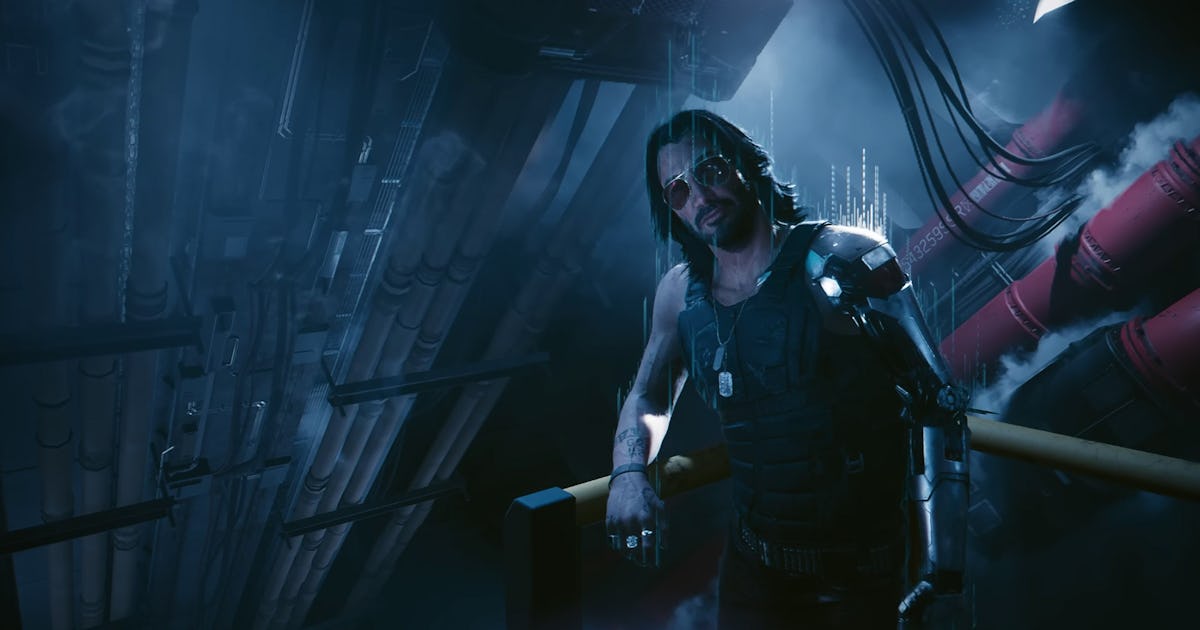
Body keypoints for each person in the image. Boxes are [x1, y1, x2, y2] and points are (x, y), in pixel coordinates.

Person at [604, 109, 970, 629]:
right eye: (678, 191)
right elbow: (648, 396)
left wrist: (943, 573)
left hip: (861, 575)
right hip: (753, 572)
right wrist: (627, 474)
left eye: (710, 170)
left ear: (747, 165)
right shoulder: (680, 295)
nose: (700, 197)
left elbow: (938, 405)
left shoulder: (844, 259)